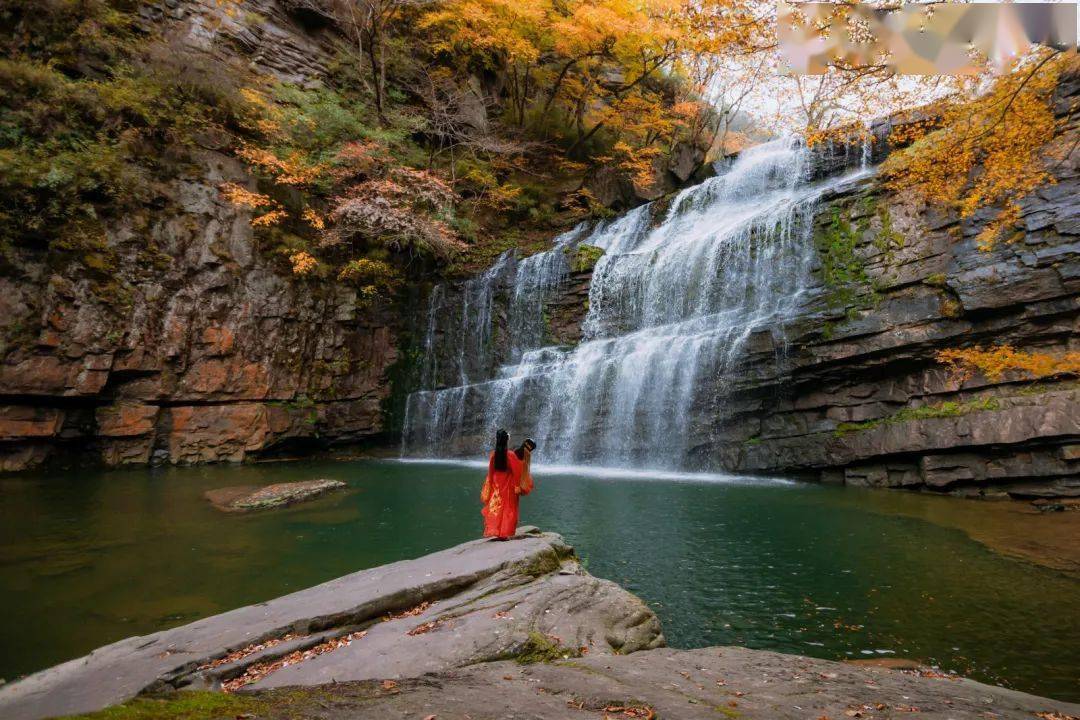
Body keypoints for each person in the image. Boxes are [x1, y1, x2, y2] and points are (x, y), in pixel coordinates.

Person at [480, 430, 529, 540]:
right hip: (508, 484)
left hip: (497, 484)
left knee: (496, 507)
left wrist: (490, 484)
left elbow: (490, 471)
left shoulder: (493, 454)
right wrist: (518, 485)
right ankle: (505, 532)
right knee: (509, 507)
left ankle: (495, 530)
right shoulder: (510, 455)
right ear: (506, 440)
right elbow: (517, 471)